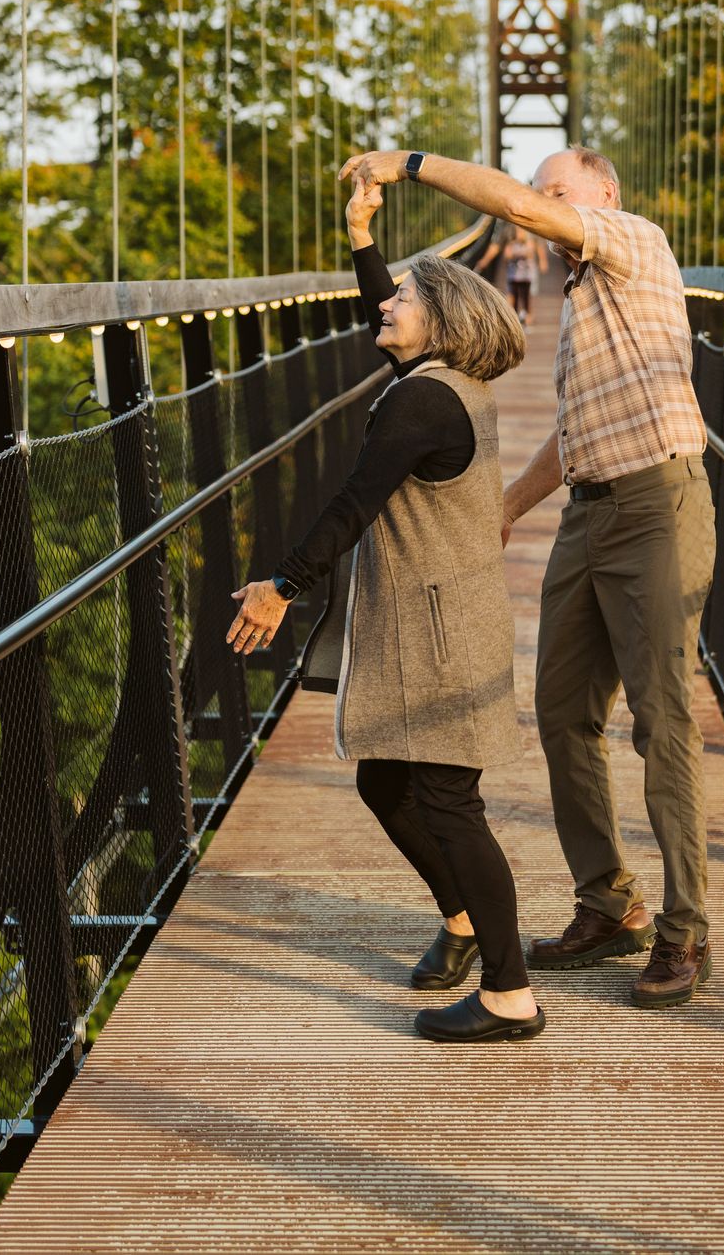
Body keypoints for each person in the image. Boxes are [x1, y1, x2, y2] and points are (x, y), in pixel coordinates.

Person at [337, 144, 716, 1010]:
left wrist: (413, 163)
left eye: (556, 192)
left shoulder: (633, 241)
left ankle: (685, 929)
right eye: (537, 191)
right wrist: (509, 504)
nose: (537, 207)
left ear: (603, 193)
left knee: (662, 723)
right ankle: (609, 904)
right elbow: (576, 430)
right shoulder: (583, 300)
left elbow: (519, 208)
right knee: (562, 714)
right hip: (589, 507)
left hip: (659, 502)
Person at [227, 173, 545, 1044]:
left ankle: (511, 995)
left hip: (443, 630)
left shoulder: (424, 400)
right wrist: (362, 237)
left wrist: (281, 587)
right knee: (384, 778)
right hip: (435, 616)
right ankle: (466, 923)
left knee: (447, 801)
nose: (387, 304)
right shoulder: (432, 382)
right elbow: (391, 320)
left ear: (437, 323)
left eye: (403, 297)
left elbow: (353, 501)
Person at [502, 225, 548, 324]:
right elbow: (506, 256)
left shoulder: (529, 241)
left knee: (527, 298)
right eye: (518, 232)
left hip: (527, 276)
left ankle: (528, 318)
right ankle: (512, 319)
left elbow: (530, 253)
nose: (520, 234)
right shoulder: (511, 243)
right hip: (514, 276)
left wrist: (542, 261)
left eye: (522, 232)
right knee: (513, 297)